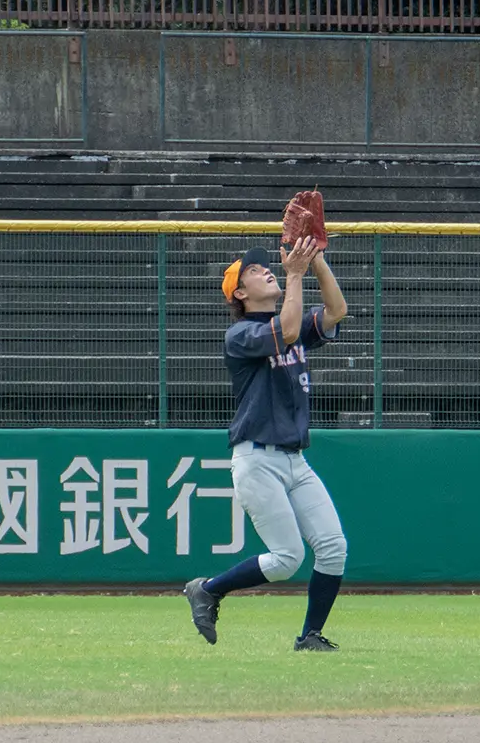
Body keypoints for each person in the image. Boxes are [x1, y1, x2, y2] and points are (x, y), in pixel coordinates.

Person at [182, 235, 350, 651]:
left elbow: (336, 311)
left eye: (265, 266)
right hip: (256, 459)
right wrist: (294, 274)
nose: (265, 270)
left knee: (333, 548)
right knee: (286, 559)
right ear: (240, 293)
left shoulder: (283, 319)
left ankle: (310, 636)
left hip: (295, 461)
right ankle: (209, 589)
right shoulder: (240, 335)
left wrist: (317, 262)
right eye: (254, 271)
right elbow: (288, 329)